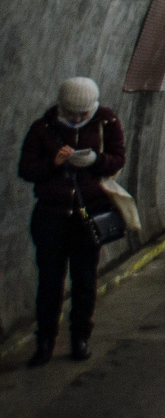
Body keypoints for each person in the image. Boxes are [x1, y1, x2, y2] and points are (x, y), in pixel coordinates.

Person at [17, 77, 127, 366]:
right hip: (51, 215)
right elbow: (26, 169)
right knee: (50, 282)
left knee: (85, 279)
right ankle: (45, 341)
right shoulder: (43, 129)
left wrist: (95, 160)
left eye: (84, 113)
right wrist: (52, 163)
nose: (78, 118)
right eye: (72, 113)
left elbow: (118, 159)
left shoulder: (107, 122)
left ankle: (80, 337)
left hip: (88, 212)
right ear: (61, 106)